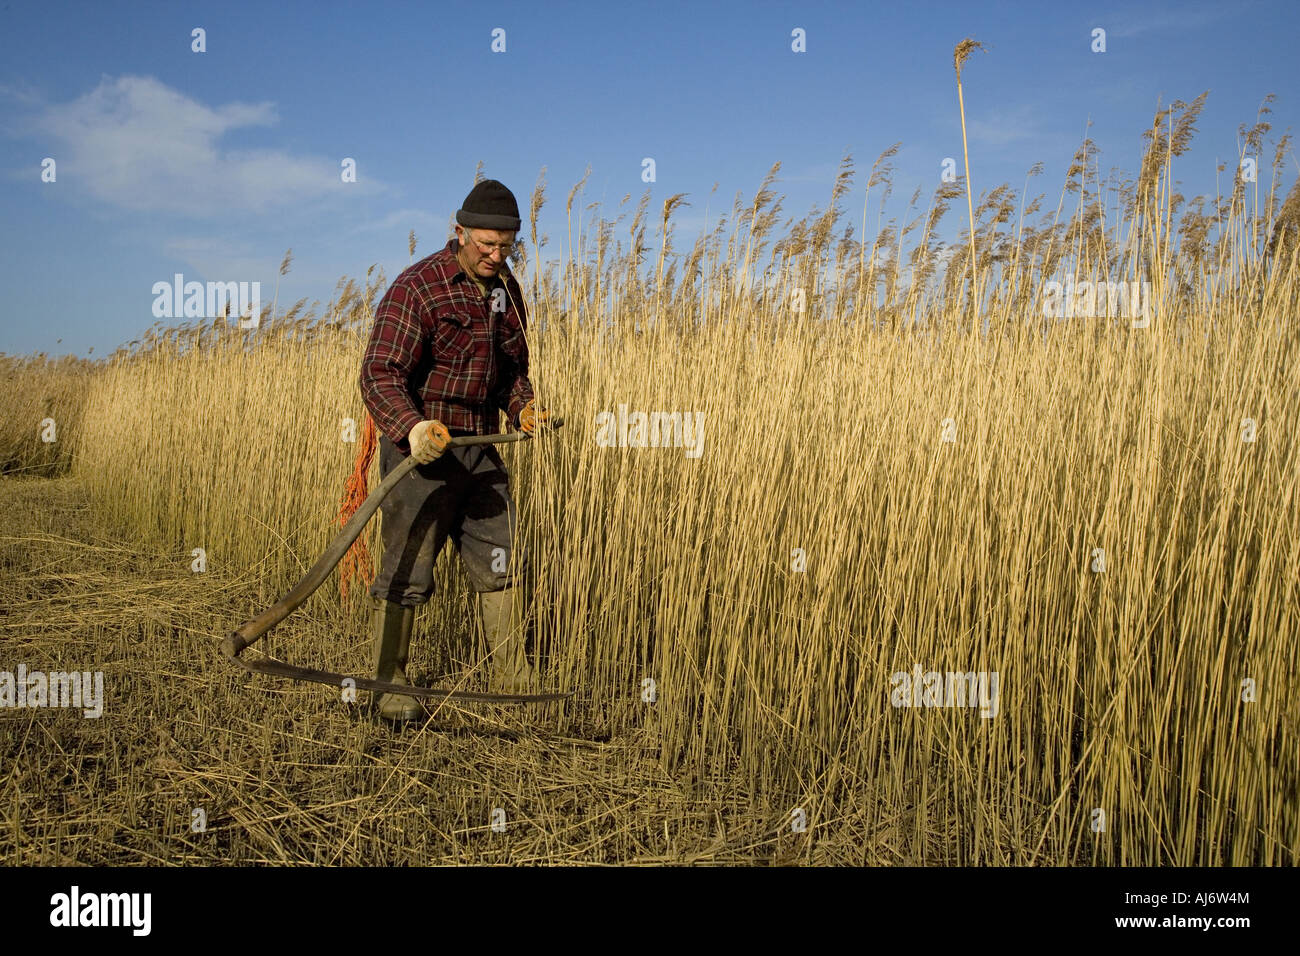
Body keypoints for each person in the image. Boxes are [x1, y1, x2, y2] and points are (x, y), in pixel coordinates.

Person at [358, 179, 552, 722]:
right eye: (485, 245)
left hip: (480, 449)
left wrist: (524, 409)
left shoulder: (507, 292)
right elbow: (379, 374)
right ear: (459, 231)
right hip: (420, 456)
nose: (495, 256)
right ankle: (388, 679)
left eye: (506, 246)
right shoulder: (416, 288)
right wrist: (414, 428)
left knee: (500, 561)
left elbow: (513, 370)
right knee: (407, 566)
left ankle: (511, 674)